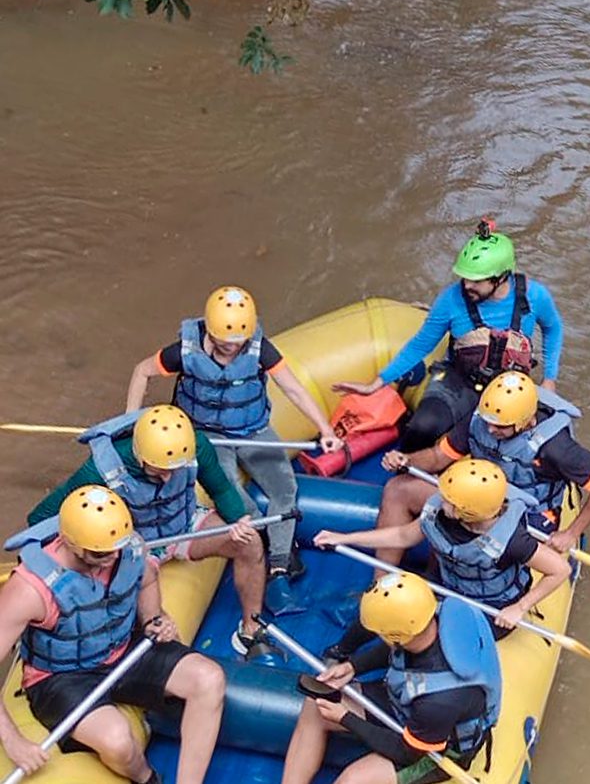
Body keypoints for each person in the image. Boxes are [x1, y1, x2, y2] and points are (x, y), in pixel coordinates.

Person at [125, 285, 344, 612]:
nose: (231, 351)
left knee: (285, 488)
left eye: (236, 345)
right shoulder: (184, 351)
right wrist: (131, 421)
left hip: (253, 429)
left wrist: (326, 429)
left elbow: (294, 390)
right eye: (223, 345)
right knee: (229, 492)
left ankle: (281, 562)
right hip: (208, 435)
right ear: (210, 334)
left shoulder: (260, 349)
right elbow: (142, 371)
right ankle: (266, 542)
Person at [0, 486, 227, 784]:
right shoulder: (29, 589)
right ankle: (148, 779)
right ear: (69, 542)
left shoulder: (126, 547)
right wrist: (13, 740)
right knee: (118, 742)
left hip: (123, 650)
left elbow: (146, 580)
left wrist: (154, 618)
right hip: (61, 677)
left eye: (116, 547)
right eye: (99, 552)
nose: (111, 557)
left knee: (209, 679)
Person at [27, 405, 272, 656]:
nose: (168, 477)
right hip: (135, 546)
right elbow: (41, 517)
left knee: (250, 542)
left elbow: (220, 489)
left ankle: (251, 628)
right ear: (139, 455)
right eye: (159, 469)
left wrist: (239, 519)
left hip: (184, 525)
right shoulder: (101, 469)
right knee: (162, 628)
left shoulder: (194, 445)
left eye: (174, 469)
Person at [333, 220, 566, 454]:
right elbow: (420, 345)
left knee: (535, 446)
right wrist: (376, 383)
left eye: (476, 280)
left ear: (501, 278)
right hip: (460, 380)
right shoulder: (450, 301)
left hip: (509, 387)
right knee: (423, 427)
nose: (466, 285)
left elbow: (553, 328)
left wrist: (549, 378)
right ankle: (405, 469)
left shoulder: (535, 296)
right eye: (464, 278)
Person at [312, 456, 571, 661]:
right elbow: (403, 536)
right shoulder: (440, 511)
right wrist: (344, 538)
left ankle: (368, 666)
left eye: (450, 500)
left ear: (468, 511)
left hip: (489, 607)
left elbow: (559, 570)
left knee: (423, 639)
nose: (440, 498)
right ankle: (343, 650)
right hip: (446, 586)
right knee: (386, 603)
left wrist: (519, 608)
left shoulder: (512, 540)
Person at [280, 572, 501, 784]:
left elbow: (406, 752)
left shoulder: (441, 700)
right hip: (409, 709)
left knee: (352, 780)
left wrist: (345, 718)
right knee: (315, 706)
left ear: (394, 636)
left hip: (435, 748)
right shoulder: (429, 618)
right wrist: (353, 666)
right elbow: (401, 648)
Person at [377, 371, 590, 558]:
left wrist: (571, 534)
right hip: (476, 496)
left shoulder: (556, 446)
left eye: (500, 426)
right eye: (488, 421)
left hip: (527, 512)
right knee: (399, 489)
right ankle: (381, 580)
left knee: (460, 527)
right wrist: (407, 460)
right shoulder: (482, 420)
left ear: (526, 421)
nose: (490, 429)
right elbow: (439, 456)